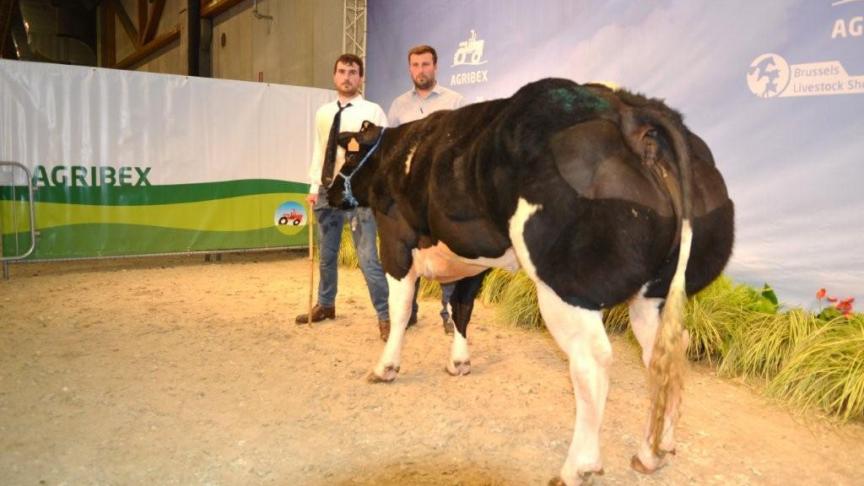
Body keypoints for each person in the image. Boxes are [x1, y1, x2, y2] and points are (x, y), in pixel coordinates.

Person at [295, 53, 391, 341]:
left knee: (367, 258)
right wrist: (314, 188)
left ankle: (386, 316)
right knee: (327, 254)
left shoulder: (373, 111)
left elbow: (382, 154)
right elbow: (319, 149)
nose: (347, 76)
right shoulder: (323, 113)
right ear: (334, 76)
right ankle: (326, 305)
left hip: (359, 193)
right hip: (327, 189)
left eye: (352, 72)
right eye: (341, 71)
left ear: (361, 78)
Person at [387, 44, 466, 335]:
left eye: (425, 64)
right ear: (410, 69)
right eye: (415, 65)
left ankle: (449, 311)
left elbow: (462, 146)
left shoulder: (455, 101)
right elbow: (392, 151)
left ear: (436, 66)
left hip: (442, 193)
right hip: (408, 196)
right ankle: (409, 311)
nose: (420, 70)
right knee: (409, 252)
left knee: (447, 253)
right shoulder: (397, 106)